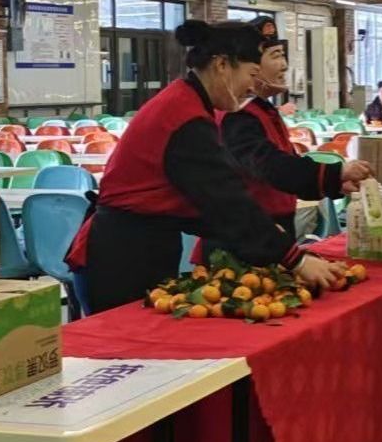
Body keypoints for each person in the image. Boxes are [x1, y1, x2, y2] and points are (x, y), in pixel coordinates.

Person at [66, 20, 345, 313]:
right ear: (222, 65)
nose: (252, 86)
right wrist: (295, 259)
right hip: (123, 257)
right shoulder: (184, 115)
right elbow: (224, 198)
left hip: (142, 246)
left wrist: (270, 237)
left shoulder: (188, 102)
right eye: (251, 74)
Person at [216, 16, 372, 250]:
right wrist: (337, 172)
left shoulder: (263, 110)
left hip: (270, 231)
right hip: (245, 238)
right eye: (275, 56)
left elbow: (289, 166)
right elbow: (271, 166)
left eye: (283, 55)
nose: (284, 65)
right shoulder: (237, 115)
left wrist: (336, 184)